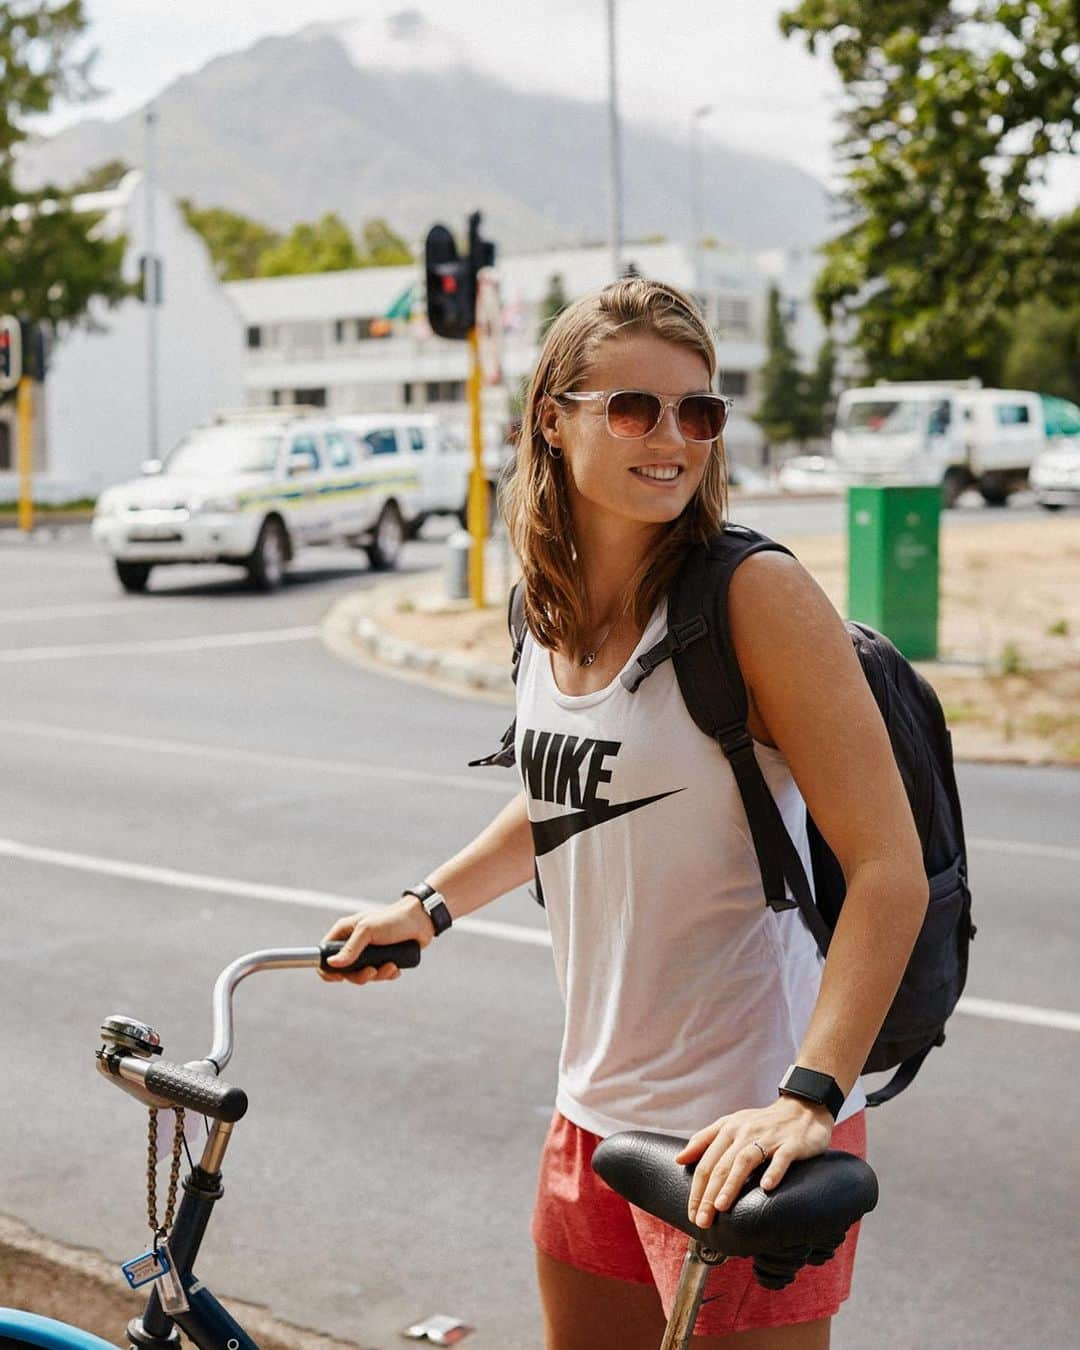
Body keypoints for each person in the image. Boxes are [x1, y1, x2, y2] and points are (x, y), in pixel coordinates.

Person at [320, 278, 928, 1349]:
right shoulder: (546, 608)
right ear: (553, 419)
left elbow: (888, 869)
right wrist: (424, 907)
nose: (674, 438)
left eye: (699, 411)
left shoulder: (754, 598)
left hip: (746, 1134)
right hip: (592, 1110)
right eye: (635, 408)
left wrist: (809, 1101)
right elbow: (567, 798)